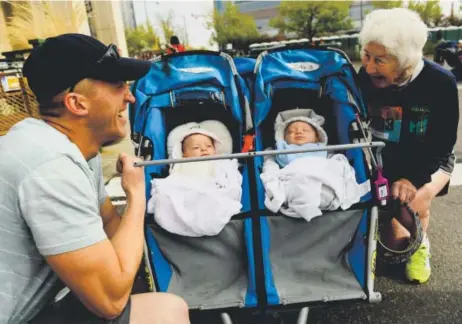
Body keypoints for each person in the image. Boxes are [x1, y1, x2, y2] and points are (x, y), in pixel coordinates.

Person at [0, 33, 190, 324]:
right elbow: (110, 301)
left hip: (35, 311)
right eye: (117, 86)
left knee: (167, 308)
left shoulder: (70, 150)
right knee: (163, 314)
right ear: (77, 104)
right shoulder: (51, 168)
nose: (130, 96)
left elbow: (110, 225)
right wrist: (136, 195)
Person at [358, 8, 459, 284]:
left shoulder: (440, 82)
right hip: (383, 159)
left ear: (404, 61)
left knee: (410, 203)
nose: (369, 67)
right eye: (366, 55)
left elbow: (442, 143)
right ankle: (399, 238)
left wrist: (411, 178)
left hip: (429, 161)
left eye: (380, 60)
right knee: (393, 237)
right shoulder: (365, 76)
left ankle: (420, 243)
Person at [260, 109, 361, 222]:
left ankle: (319, 199)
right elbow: (270, 169)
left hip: (323, 181)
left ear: (317, 137)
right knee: (300, 182)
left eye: (305, 130)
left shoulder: (324, 151)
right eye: (291, 132)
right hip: (295, 181)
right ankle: (305, 201)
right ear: (283, 138)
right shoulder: (278, 153)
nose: (299, 132)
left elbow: (337, 165)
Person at [147, 123, 242, 237]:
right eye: (196, 147)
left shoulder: (220, 162)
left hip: (211, 190)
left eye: (208, 146)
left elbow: (230, 178)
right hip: (186, 189)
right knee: (166, 197)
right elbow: (175, 181)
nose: (203, 149)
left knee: (211, 199)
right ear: (184, 154)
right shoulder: (181, 165)